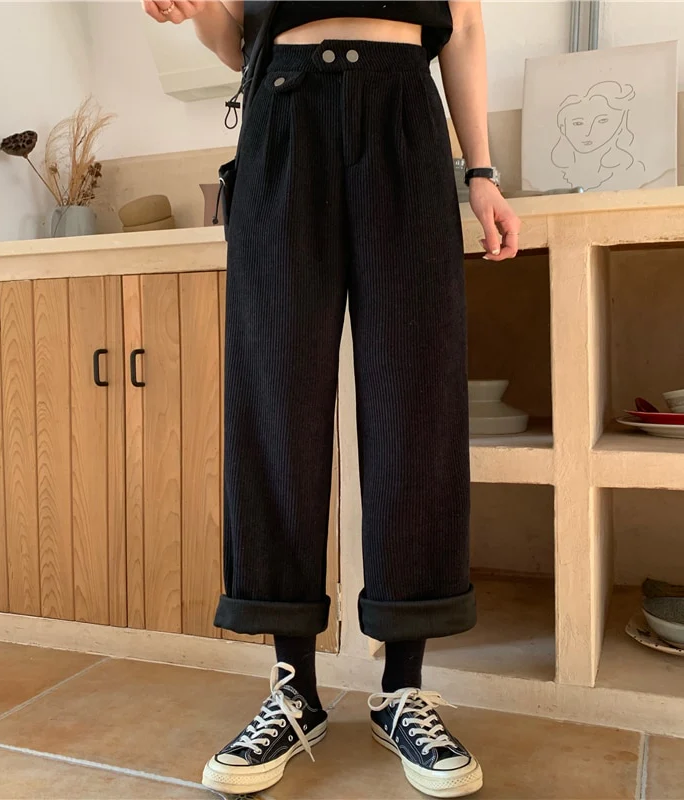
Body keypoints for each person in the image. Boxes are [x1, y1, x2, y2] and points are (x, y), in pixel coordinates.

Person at [143, 1, 520, 796]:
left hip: (403, 114)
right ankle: (294, 691)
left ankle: (402, 690)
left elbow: (464, 27)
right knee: (275, 404)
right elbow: (235, 43)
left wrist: (481, 172)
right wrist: (199, 7)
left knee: (414, 402)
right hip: (283, 117)